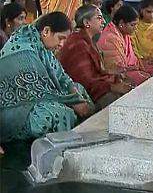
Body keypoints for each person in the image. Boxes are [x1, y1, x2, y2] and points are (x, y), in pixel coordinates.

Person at [0, 12, 94, 142]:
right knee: (55, 114)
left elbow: (62, 77)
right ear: (46, 31)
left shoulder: (42, 46)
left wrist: (76, 98)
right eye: (60, 38)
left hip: (39, 99)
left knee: (79, 89)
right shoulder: (24, 49)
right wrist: (73, 102)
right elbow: (38, 91)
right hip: (17, 111)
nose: (62, 44)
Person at [58, 4, 132, 109]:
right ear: (86, 22)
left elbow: (97, 74)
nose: (104, 22)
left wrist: (115, 77)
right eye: (99, 18)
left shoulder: (86, 39)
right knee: (115, 100)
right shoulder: (78, 44)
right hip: (79, 92)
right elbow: (84, 81)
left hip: (94, 86)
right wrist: (112, 87)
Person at [97, 6, 153, 86]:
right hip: (115, 75)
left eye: (136, 25)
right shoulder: (110, 38)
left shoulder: (124, 34)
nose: (135, 28)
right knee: (144, 79)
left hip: (127, 69)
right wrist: (134, 68)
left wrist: (144, 62)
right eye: (132, 25)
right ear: (121, 24)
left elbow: (132, 60)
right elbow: (114, 68)